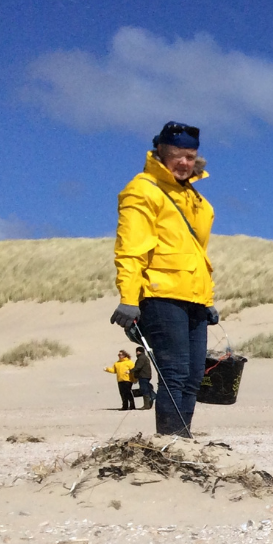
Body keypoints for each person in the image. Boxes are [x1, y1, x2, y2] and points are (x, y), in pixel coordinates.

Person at [107, 121, 218, 438]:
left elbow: (195, 252)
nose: (185, 162)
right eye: (177, 155)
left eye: (190, 155)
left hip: (193, 297)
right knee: (175, 373)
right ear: (161, 152)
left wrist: (207, 301)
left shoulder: (190, 194)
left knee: (195, 375)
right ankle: (171, 441)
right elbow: (130, 251)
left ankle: (183, 440)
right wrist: (129, 299)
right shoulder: (142, 190)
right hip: (159, 296)